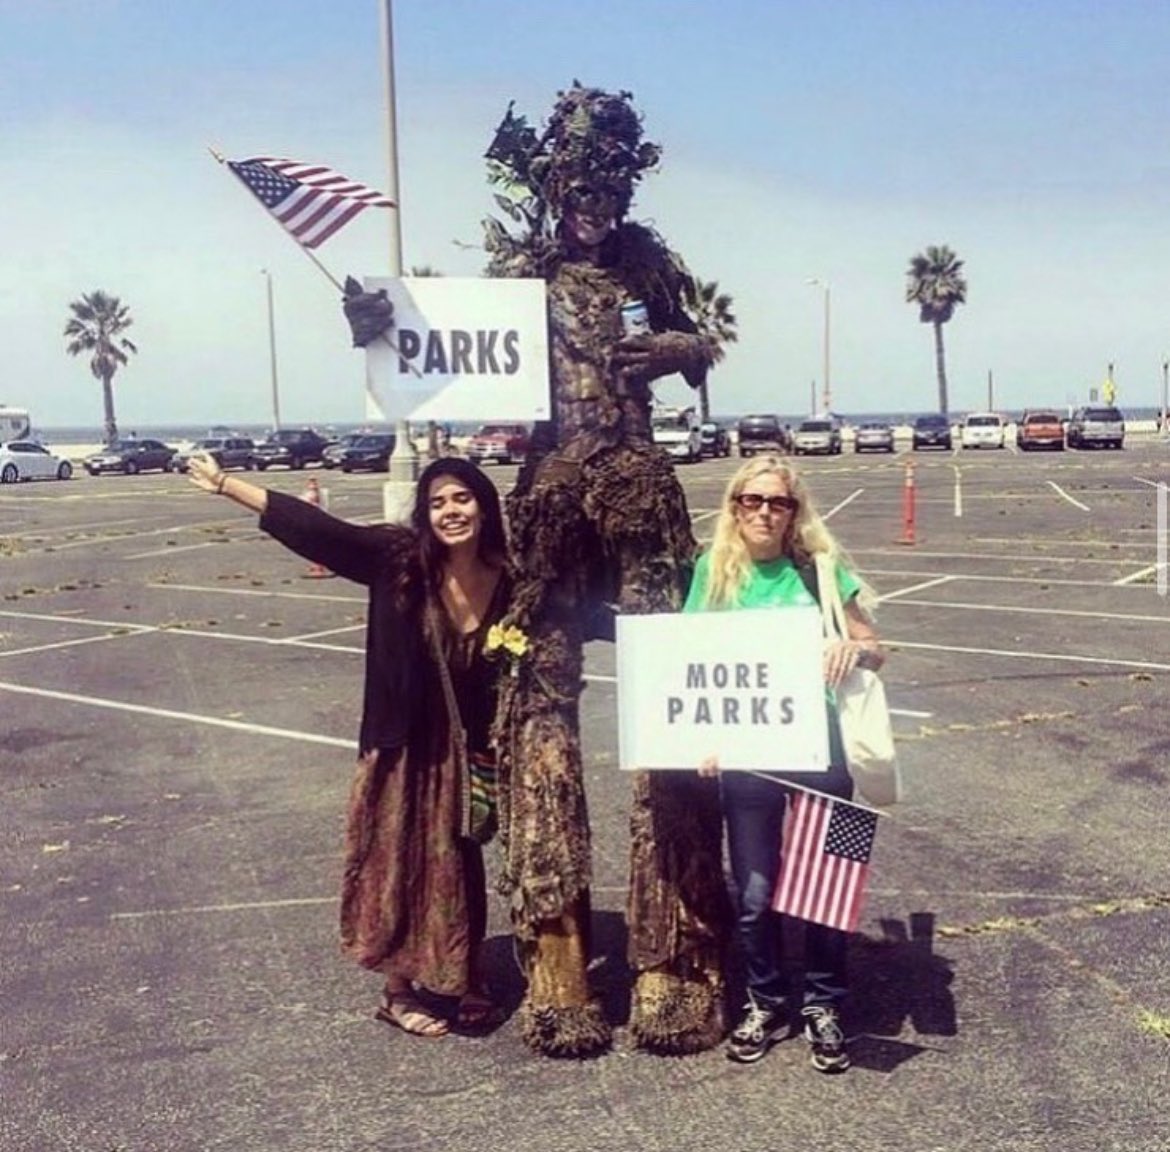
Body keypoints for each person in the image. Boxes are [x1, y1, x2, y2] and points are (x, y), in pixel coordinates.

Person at [344, 85, 732, 1057]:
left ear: (624, 183)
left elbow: (704, 340)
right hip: (552, 503)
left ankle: (671, 956)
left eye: (605, 182)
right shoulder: (519, 276)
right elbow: (435, 341)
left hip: (642, 496)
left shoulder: (650, 263)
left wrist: (679, 345)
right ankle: (557, 959)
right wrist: (375, 323)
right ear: (549, 185)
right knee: (538, 732)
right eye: (574, 183)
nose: (589, 200)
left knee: (671, 717)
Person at [186, 452, 511, 1038]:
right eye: (437, 502)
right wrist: (226, 486)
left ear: (485, 506)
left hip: (464, 746)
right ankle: (398, 990)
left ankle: (467, 976)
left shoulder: (508, 577)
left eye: (462, 498)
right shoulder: (397, 559)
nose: (450, 511)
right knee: (393, 859)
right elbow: (322, 533)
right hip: (400, 741)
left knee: (459, 861)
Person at [684, 455, 886, 1073]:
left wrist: (852, 648)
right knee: (755, 892)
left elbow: (877, 650)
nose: (765, 512)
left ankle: (825, 1004)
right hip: (747, 758)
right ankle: (765, 999)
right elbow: (691, 661)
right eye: (752, 500)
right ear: (734, 507)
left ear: (795, 511)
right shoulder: (712, 573)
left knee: (830, 890)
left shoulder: (823, 571)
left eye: (778, 502)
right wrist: (703, 738)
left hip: (827, 751)